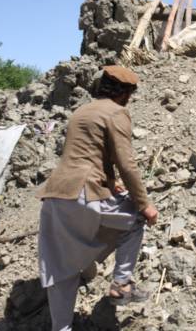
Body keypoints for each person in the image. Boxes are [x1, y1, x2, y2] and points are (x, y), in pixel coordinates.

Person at [37, 65, 159, 331]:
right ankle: (121, 284)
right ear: (124, 93)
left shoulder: (81, 112)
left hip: (55, 195)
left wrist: (110, 183)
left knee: (61, 269)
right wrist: (145, 203)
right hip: (84, 192)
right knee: (135, 218)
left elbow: (85, 155)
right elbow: (127, 163)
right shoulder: (116, 112)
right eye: (129, 94)